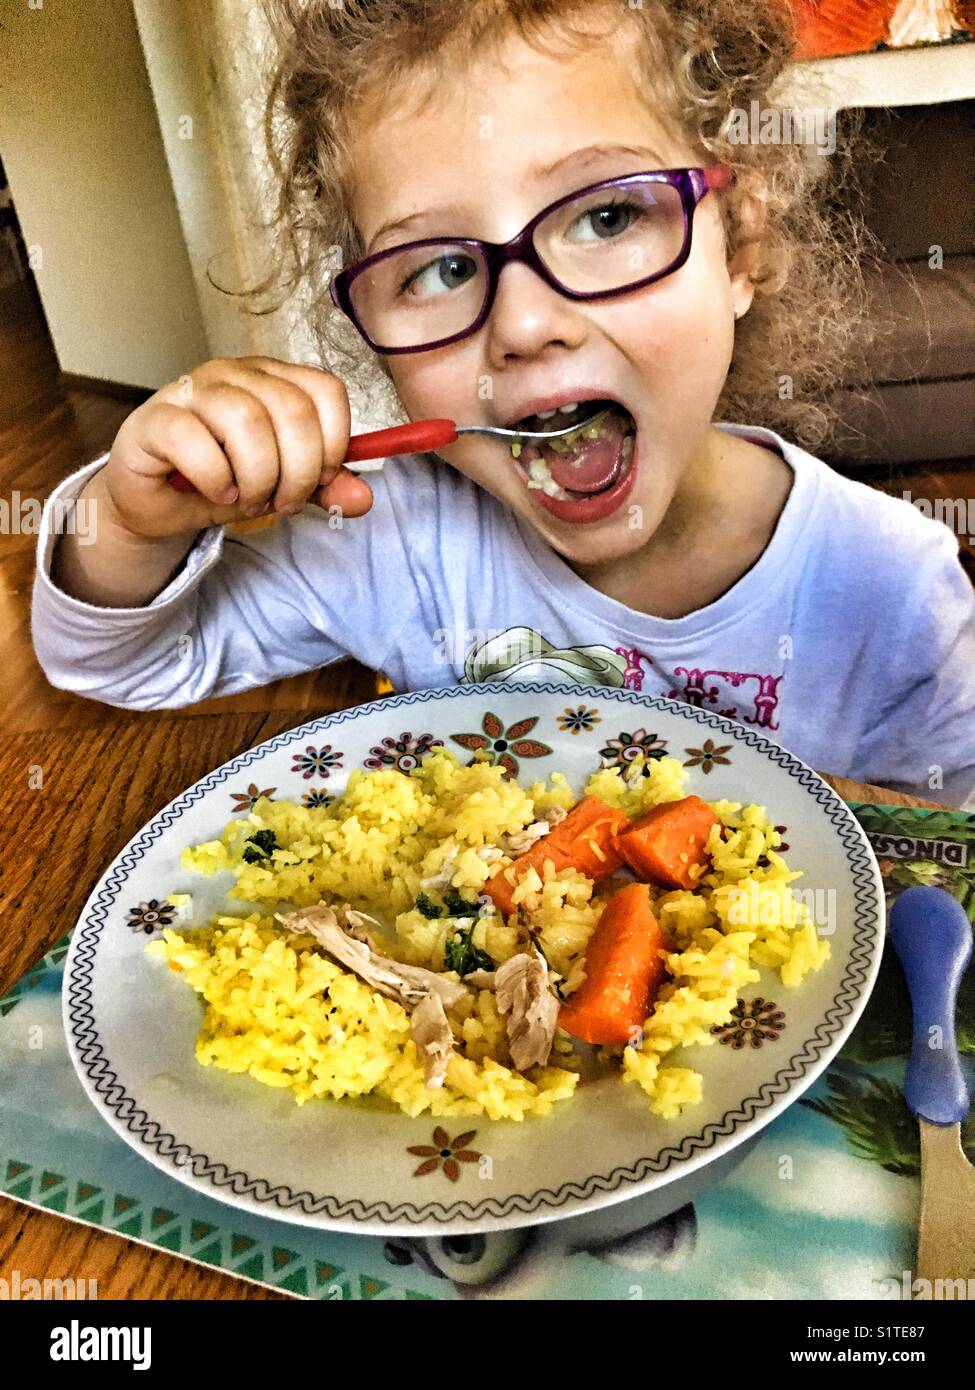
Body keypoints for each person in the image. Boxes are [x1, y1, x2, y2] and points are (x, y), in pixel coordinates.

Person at [32, 0, 975, 806]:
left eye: (605, 216)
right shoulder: (390, 540)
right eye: (439, 268)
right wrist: (128, 521)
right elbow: (118, 663)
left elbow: (945, 870)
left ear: (738, 248)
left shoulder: (891, 591)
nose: (523, 324)